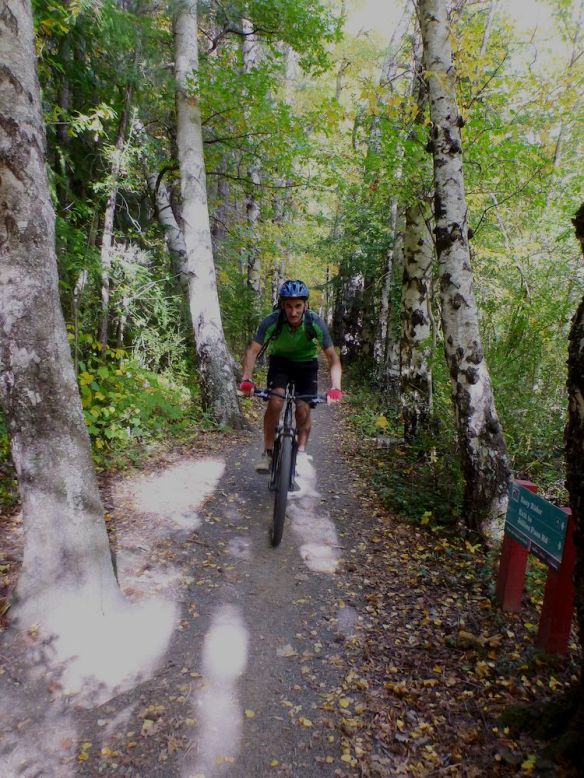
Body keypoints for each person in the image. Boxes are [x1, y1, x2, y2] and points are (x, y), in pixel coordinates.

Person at [240, 279, 342, 472]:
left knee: (303, 408)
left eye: (298, 306)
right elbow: (252, 351)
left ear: (306, 305)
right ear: (282, 305)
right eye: (288, 306)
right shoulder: (272, 321)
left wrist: (335, 387)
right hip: (281, 363)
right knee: (275, 401)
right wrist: (247, 379)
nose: (293, 312)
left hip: (306, 365)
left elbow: (332, 358)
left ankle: (301, 453)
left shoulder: (314, 322)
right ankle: (268, 453)